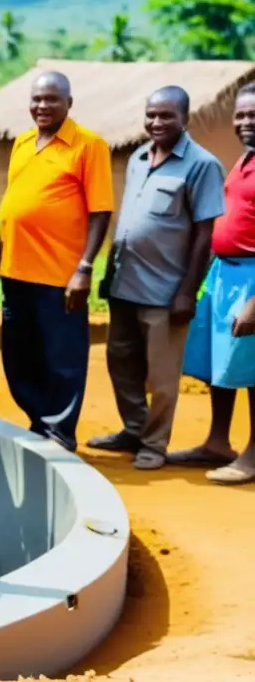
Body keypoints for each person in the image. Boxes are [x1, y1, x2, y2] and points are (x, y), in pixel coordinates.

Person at [88, 87, 225, 470]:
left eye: (166, 116)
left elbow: (203, 235)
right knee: (121, 362)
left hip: (165, 292)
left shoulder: (202, 165)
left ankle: (154, 443)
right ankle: (133, 429)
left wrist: (187, 292)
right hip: (124, 285)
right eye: (151, 115)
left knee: (162, 379)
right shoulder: (137, 157)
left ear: (185, 119)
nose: (156, 123)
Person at [0, 71, 114, 452]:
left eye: (51, 99)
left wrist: (84, 268)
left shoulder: (88, 145)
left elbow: (100, 211)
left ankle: (60, 431)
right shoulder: (23, 141)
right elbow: (14, 202)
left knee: (61, 356)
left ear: (69, 103)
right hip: (15, 270)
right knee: (19, 354)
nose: (42, 106)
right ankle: (38, 419)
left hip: (60, 273)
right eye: (37, 99)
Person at [167, 83, 255, 485]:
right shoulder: (243, 162)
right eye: (240, 115)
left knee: (252, 370)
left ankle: (254, 454)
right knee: (222, 364)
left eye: (253, 115)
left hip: (250, 281)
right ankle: (217, 442)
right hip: (225, 276)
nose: (245, 122)